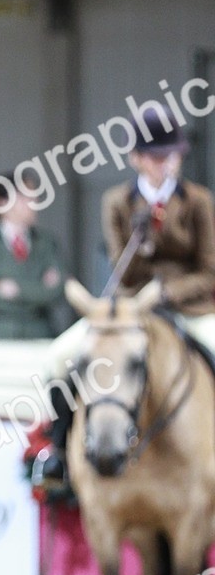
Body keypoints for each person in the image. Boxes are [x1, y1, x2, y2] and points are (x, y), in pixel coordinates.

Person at [37, 109, 215, 485]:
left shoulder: (199, 201)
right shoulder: (117, 202)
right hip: (133, 307)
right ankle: (58, 452)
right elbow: (123, 269)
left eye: (173, 155)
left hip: (191, 306)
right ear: (135, 158)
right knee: (58, 357)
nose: (167, 164)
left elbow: (210, 270)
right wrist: (143, 240)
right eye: (156, 156)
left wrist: (168, 290)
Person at [0, 173, 65, 339]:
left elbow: (59, 290)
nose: (34, 204)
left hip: (40, 335)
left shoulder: (47, 242)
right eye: (25, 198)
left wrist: (16, 289)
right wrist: (39, 290)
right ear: (2, 202)